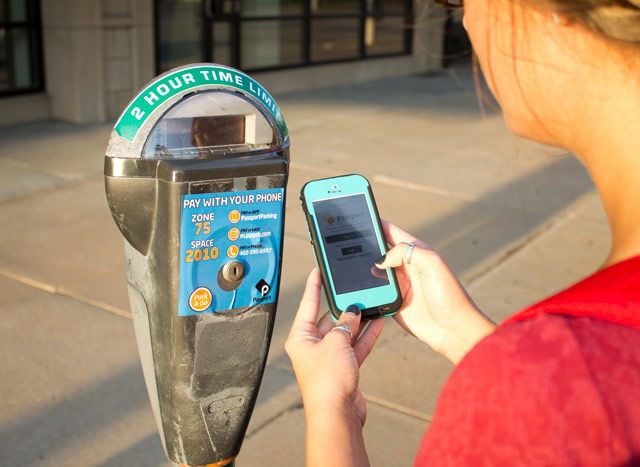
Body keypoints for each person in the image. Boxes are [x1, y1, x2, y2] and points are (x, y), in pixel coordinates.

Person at [285, 0, 640, 465]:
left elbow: (567, 406)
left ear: (554, 14)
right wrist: (461, 333)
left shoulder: (565, 379)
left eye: (467, 2)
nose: (468, 22)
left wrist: (333, 411)